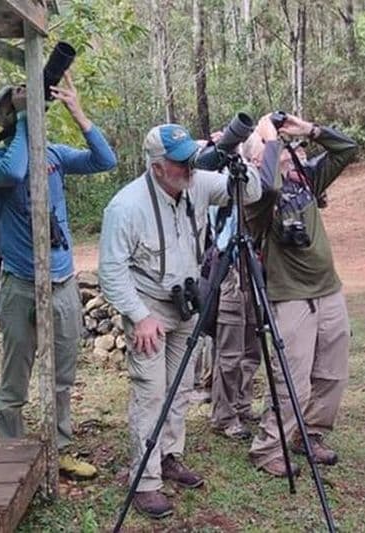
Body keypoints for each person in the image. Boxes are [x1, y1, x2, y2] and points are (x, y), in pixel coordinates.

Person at [98, 123, 261, 519]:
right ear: (157, 166)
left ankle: (169, 455)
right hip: (148, 308)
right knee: (151, 393)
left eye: (191, 157)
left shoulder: (196, 182)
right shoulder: (126, 206)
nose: (190, 165)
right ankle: (145, 479)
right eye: (180, 161)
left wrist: (240, 161)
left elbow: (252, 193)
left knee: (181, 388)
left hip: (186, 304)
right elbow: (111, 272)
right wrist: (139, 316)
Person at [0, 73, 117, 479]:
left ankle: (60, 448)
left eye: (29, 103)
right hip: (19, 282)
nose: (26, 109)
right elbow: (13, 173)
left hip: (63, 282)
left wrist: (77, 112)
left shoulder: (53, 154)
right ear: (3, 116)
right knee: (15, 376)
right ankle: (10, 455)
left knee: (62, 374)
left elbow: (105, 160)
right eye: (17, 105)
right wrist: (24, 120)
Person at [244, 113, 358, 478]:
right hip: (291, 296)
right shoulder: (256, 198)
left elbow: (347, 149)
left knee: (332, 373)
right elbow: (269, 188)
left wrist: (308, 129)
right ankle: (268, 449)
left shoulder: (306, 181)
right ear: (259, 159)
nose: (294, 154)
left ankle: (310, 434)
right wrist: (267, 139)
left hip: (329, 290)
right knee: (291, 379)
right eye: (283, 151)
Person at [209, 204, 262, 441]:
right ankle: (224, 417)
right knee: (230, 354)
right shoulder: (222, 193)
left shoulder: (257, 197)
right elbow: (221, 240)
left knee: (252, 349)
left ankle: (242, 404)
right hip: (230, 274)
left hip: (254, 274)